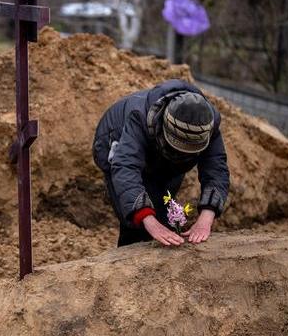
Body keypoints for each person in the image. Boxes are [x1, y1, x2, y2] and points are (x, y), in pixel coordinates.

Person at [92, 79, 230, 247]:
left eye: (187, 152)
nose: (181, 154)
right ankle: (129, 262)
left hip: (166, 162)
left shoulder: (208, 125)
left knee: (164, 212)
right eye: (177, 149)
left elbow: (216, 168)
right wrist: (147, 218)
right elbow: (125, 167)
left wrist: (206, 219)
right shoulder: (139, 117)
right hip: (115, 144)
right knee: (139, 225)